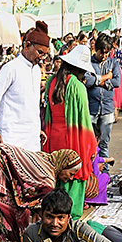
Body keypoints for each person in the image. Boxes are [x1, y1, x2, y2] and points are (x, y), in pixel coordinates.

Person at [0, 144, 82, 242]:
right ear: (63, 166)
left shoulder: (44, 158)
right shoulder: (47, 180)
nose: (71, 178)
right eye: (71, 174)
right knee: (8, 210)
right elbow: (45, 212)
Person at [42, 43, 97, 219]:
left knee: (56, 178)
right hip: (72, 139)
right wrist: (92, 146)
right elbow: (84, 121)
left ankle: (53, 216)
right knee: (74, 178)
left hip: (53, 138)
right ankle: (69, 219)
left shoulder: (51, 82)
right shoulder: (77, 86)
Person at [0, 20, 50, 152]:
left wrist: (37, 130)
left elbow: (30, 106)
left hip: (32, 139)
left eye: (45, 54)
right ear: (27, 45)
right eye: (40, 52)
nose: (42, 58)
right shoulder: (10, 68)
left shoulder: (37, 70)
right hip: (12, 137)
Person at [84, 34, 120, 159]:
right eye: (102, 52)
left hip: (107, 108)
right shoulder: (88, 63)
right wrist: (106, 77)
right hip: (91, 108)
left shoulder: (113, 63)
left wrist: (97, 81)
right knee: (90, 143)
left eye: (107, 53)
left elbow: (116, 82)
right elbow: (87, 81)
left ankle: (105, 173)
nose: (104, 56)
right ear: (96, 49)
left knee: (104, 143)